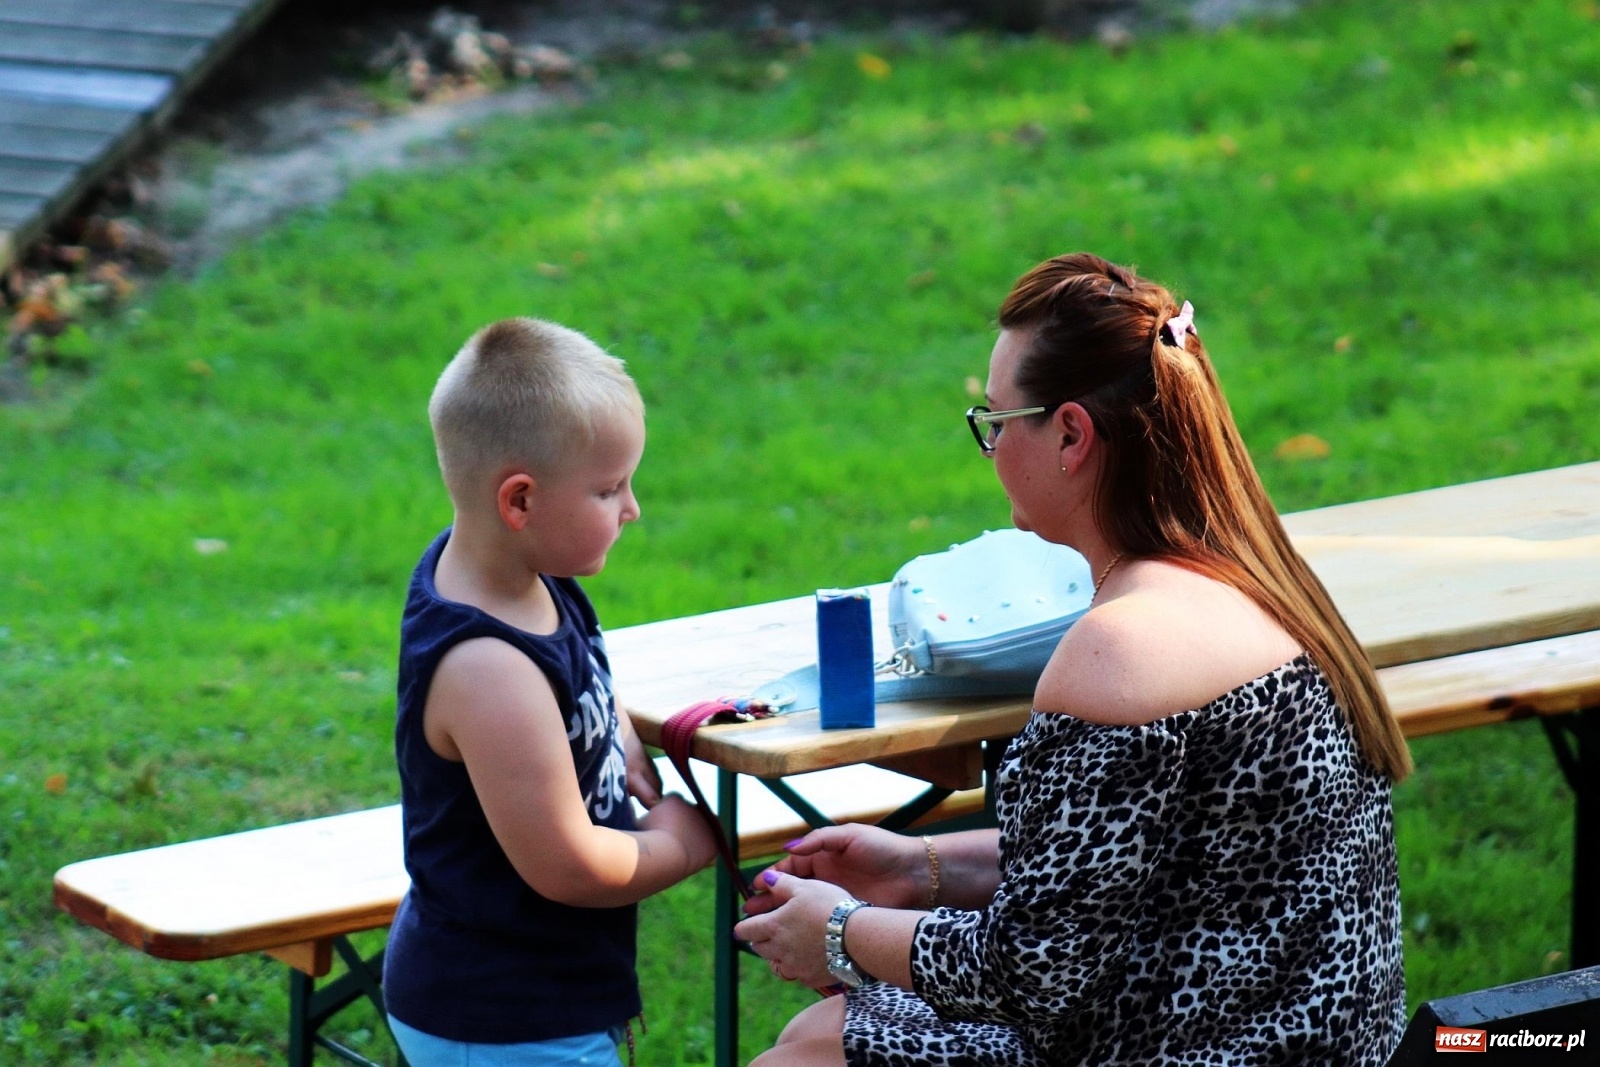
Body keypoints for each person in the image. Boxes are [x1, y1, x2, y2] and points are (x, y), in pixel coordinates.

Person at [735, 253, 1410, 1066]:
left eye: (995, 421)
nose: (989, 450)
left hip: (1197, 1047)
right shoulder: (1255, 576)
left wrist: (838, 934)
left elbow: (1031, 971)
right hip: (1295, 1035)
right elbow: (1116, 869)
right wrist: (920, 866)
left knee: (803, 1059)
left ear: (1071, 433)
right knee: (820, 1037)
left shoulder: (1120, 645)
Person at [383, 317, 719, 1067]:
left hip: (533, 997)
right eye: (608, 488)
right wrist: (682, 841)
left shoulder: (524, 573)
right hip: (501, 1014)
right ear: (520, 501)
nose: (631, 508)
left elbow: (582, 670)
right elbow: (570, 865)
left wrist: (617, 733)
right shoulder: (487, 669)